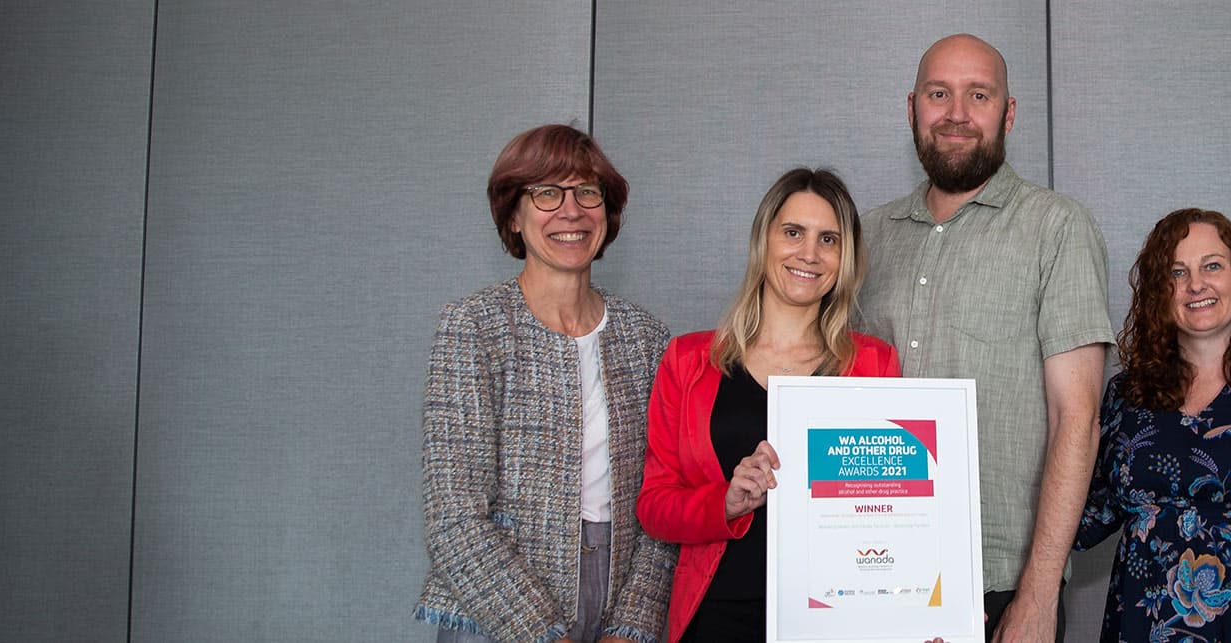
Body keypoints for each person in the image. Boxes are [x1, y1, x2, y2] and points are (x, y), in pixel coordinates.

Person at [860, 33, 1114, 642]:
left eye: (979, 95)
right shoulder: (866, 235)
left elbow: (1075, 417)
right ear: (912, 107)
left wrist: (1038, 594)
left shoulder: (1056, 228)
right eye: (938, 93)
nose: (956, 113)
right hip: (871, 567)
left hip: (998, 575)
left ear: (1009, 111)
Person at [415, 124, 671, 643]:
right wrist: (539, 632)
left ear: (607, 210)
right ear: (514, 213)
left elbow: (662, 501)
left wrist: (632, 625)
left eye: (587, 192)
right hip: (495, 602)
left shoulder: (647, 337)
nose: (571, 211)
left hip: (614, 598)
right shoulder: (475, 326)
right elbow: (454, 516)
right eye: (547, 193)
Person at [638, 168, 902, 643]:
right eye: (793, 232)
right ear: (764, 240)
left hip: (834, 620)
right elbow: (654, 506)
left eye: (829, 240)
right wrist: (726, 500)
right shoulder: (688, 360)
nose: (809, 254)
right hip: (716, 616)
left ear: (845, 258)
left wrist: (935, 603)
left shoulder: (874, 363)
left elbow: (894, 509)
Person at [1075, 209, 1231, 643]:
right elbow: (1088, 517)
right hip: (1143, 626)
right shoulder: (1127, 394)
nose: (1196, 284)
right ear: (1159, 291)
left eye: (1212, 265)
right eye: (1177, 272)